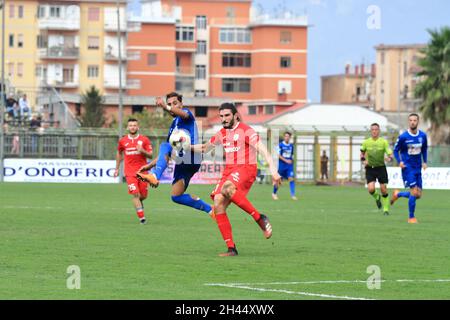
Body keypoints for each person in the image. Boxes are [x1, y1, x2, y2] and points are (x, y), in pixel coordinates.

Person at [191, 103, 281, 256]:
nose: (224, 119)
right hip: (229, 171)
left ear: (235, 115)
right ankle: (231, 248)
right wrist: (186, 146)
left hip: (246, 168)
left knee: (226, 188)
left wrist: (273, 171)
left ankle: (260, 218)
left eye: (227, 115)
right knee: (218, 203)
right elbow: (206, 148)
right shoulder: (222, 133)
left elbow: (264, 150)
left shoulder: (246, 131)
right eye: (221, 116)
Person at [136, 92, 214, 219]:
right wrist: (148, 166)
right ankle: (210, 209)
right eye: (170, 104)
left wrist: (165, 107)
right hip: (183, 161)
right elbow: (166, 153)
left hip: (192, 156)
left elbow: (183, 114)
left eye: (175, 103)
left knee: (164, 145)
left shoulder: (186, 115)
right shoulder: (174, 125)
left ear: (181, 104)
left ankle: (155, 175)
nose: (172, 106)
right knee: (176, 196)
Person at [114, 118, 153, 224]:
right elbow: (119, 153)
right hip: (130, 173)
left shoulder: (144, 140)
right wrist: (117, 168)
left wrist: (142, 150)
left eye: (134, 125)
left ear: (138, 127)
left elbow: (150, 155)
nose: (132, 127)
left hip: (143, 172)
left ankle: (139, 203)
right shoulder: (123, 140)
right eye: (130, 125)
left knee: (143, 196)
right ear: (127, 127)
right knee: (135, 194)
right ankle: (142, 218)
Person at [391, 113, 428, 224]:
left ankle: (398, 194)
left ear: (418, 122)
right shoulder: (403, 137)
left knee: (418, 195)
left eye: (414, 120)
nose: (412, 122)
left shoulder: (422, 136)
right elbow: (395, 150)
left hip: (417, 168)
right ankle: (411, 217)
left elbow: (424, 149)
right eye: (411, 120)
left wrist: (424, 162)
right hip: (407, 168)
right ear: (408, 122)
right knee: (413, 192)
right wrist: (399, 162)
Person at [360, 123, 393, 215]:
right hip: (370, 168)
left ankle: (386, 210)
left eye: (376, 129)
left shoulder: (383, 142)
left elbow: (390, 155)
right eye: (373, 129)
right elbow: (362, 154)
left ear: (379, 131)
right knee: (371, 189)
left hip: (381, 168)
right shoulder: (366, 142)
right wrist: (363, 160)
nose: (374, 131)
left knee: (383, 189)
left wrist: (389, 158)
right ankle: (377, 197)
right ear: (371, 131)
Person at [272, 132, 297, 200]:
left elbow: (291, 155)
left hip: (289, 166)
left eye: (288, 136)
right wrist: (286, 160)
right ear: (284, 137)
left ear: (290, 137)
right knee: (278, 181)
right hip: (281, 166)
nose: (287, 137)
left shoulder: (291, 146)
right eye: (286, 136)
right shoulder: (280, 145)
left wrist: (292, 159)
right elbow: (278, 155)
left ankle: (293, 195)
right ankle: (274, 193)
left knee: (291, 178)